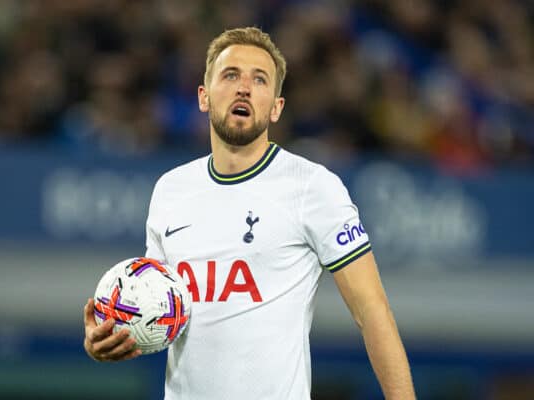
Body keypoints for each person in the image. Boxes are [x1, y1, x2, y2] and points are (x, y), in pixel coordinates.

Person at [83, 27, 416, 399]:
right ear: (204, 97)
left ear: (276, 107)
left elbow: (372, 312)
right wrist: (112, 337)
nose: (244, 87)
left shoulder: (312, 187)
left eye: (260, 80)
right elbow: (156, 312)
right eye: (231, 75)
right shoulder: (170, 190)